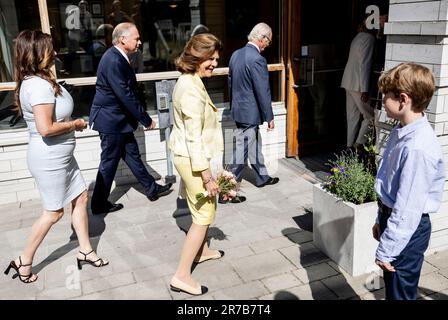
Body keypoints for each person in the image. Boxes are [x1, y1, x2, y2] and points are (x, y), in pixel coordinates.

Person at [4, 30, 108, 284]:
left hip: (62, 156)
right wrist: (75, 124)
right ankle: (23, 261)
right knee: (53, 213)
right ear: (38, 52)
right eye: (50, 48)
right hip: (49, 158)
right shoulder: (38, 86)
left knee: (81, 197)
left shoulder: (41, 80)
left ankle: (85, 250)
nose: (55, 52)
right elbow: (46, 128)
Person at [372, 63, 445, 300]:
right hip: (394, 220)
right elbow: (390, 185)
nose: (383, 101)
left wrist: (386, 250)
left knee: (400, 294)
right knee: (393, 289)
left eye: (385, 97)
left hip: (407, 229)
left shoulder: (417, 148)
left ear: (403, 100)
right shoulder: (401, 131)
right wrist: (380, 219)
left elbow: (408, 208)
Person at [89, 22, 172, 215]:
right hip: (111, 122)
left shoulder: (119, 57)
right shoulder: (113, 60)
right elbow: (124, 94)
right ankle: (98, 204)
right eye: (136, 38)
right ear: (122, 39)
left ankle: (151, 189)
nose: (140, 42)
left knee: (133, 156)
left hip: (120, 121)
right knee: (108, 163)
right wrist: (146, 119)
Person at [168, 33, 225, 296]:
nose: (215, 63)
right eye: (210, 58)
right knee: (203, 216)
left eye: (216, 58)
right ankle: (181, 275)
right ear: (196, 57)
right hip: (193, 161)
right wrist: (207, 177)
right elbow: (193, 138)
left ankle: (201, 252)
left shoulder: (191, 80)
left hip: (190, 158)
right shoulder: (190, 87)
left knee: (202, 210)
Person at [227, 22, 279, 203]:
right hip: (250, 113)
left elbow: (230, 84)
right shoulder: (257, 59)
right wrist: (269, 116)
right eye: (268, 41)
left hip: (239, 110)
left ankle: (262, 177)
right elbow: (262, 90)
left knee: (254, 145)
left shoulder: (235, 55)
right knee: (241, 151)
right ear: (262, 38)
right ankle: (227, 190)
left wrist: (233, 106)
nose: (267, 45)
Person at [341, 18, 376, 152]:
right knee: (370, 116)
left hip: (348, 81)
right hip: (358, 84)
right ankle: (359, 144)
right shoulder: (369, 39)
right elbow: (365, 64)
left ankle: (349, 145)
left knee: (352, 115)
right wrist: (365, 89)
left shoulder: (357, 37)